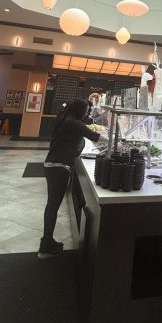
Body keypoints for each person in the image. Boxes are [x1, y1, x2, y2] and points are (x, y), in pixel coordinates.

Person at [39, 99, 108, 259]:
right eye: (86, 110)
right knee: (52, 206)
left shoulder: (65, 119)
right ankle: (45, 245)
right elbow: (95, 136)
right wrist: (116, 139)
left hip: (52, 164)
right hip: (59, 167)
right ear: (79, 110)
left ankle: (47, 242)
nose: (87, 113)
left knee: (52, 205)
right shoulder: (74, 124)